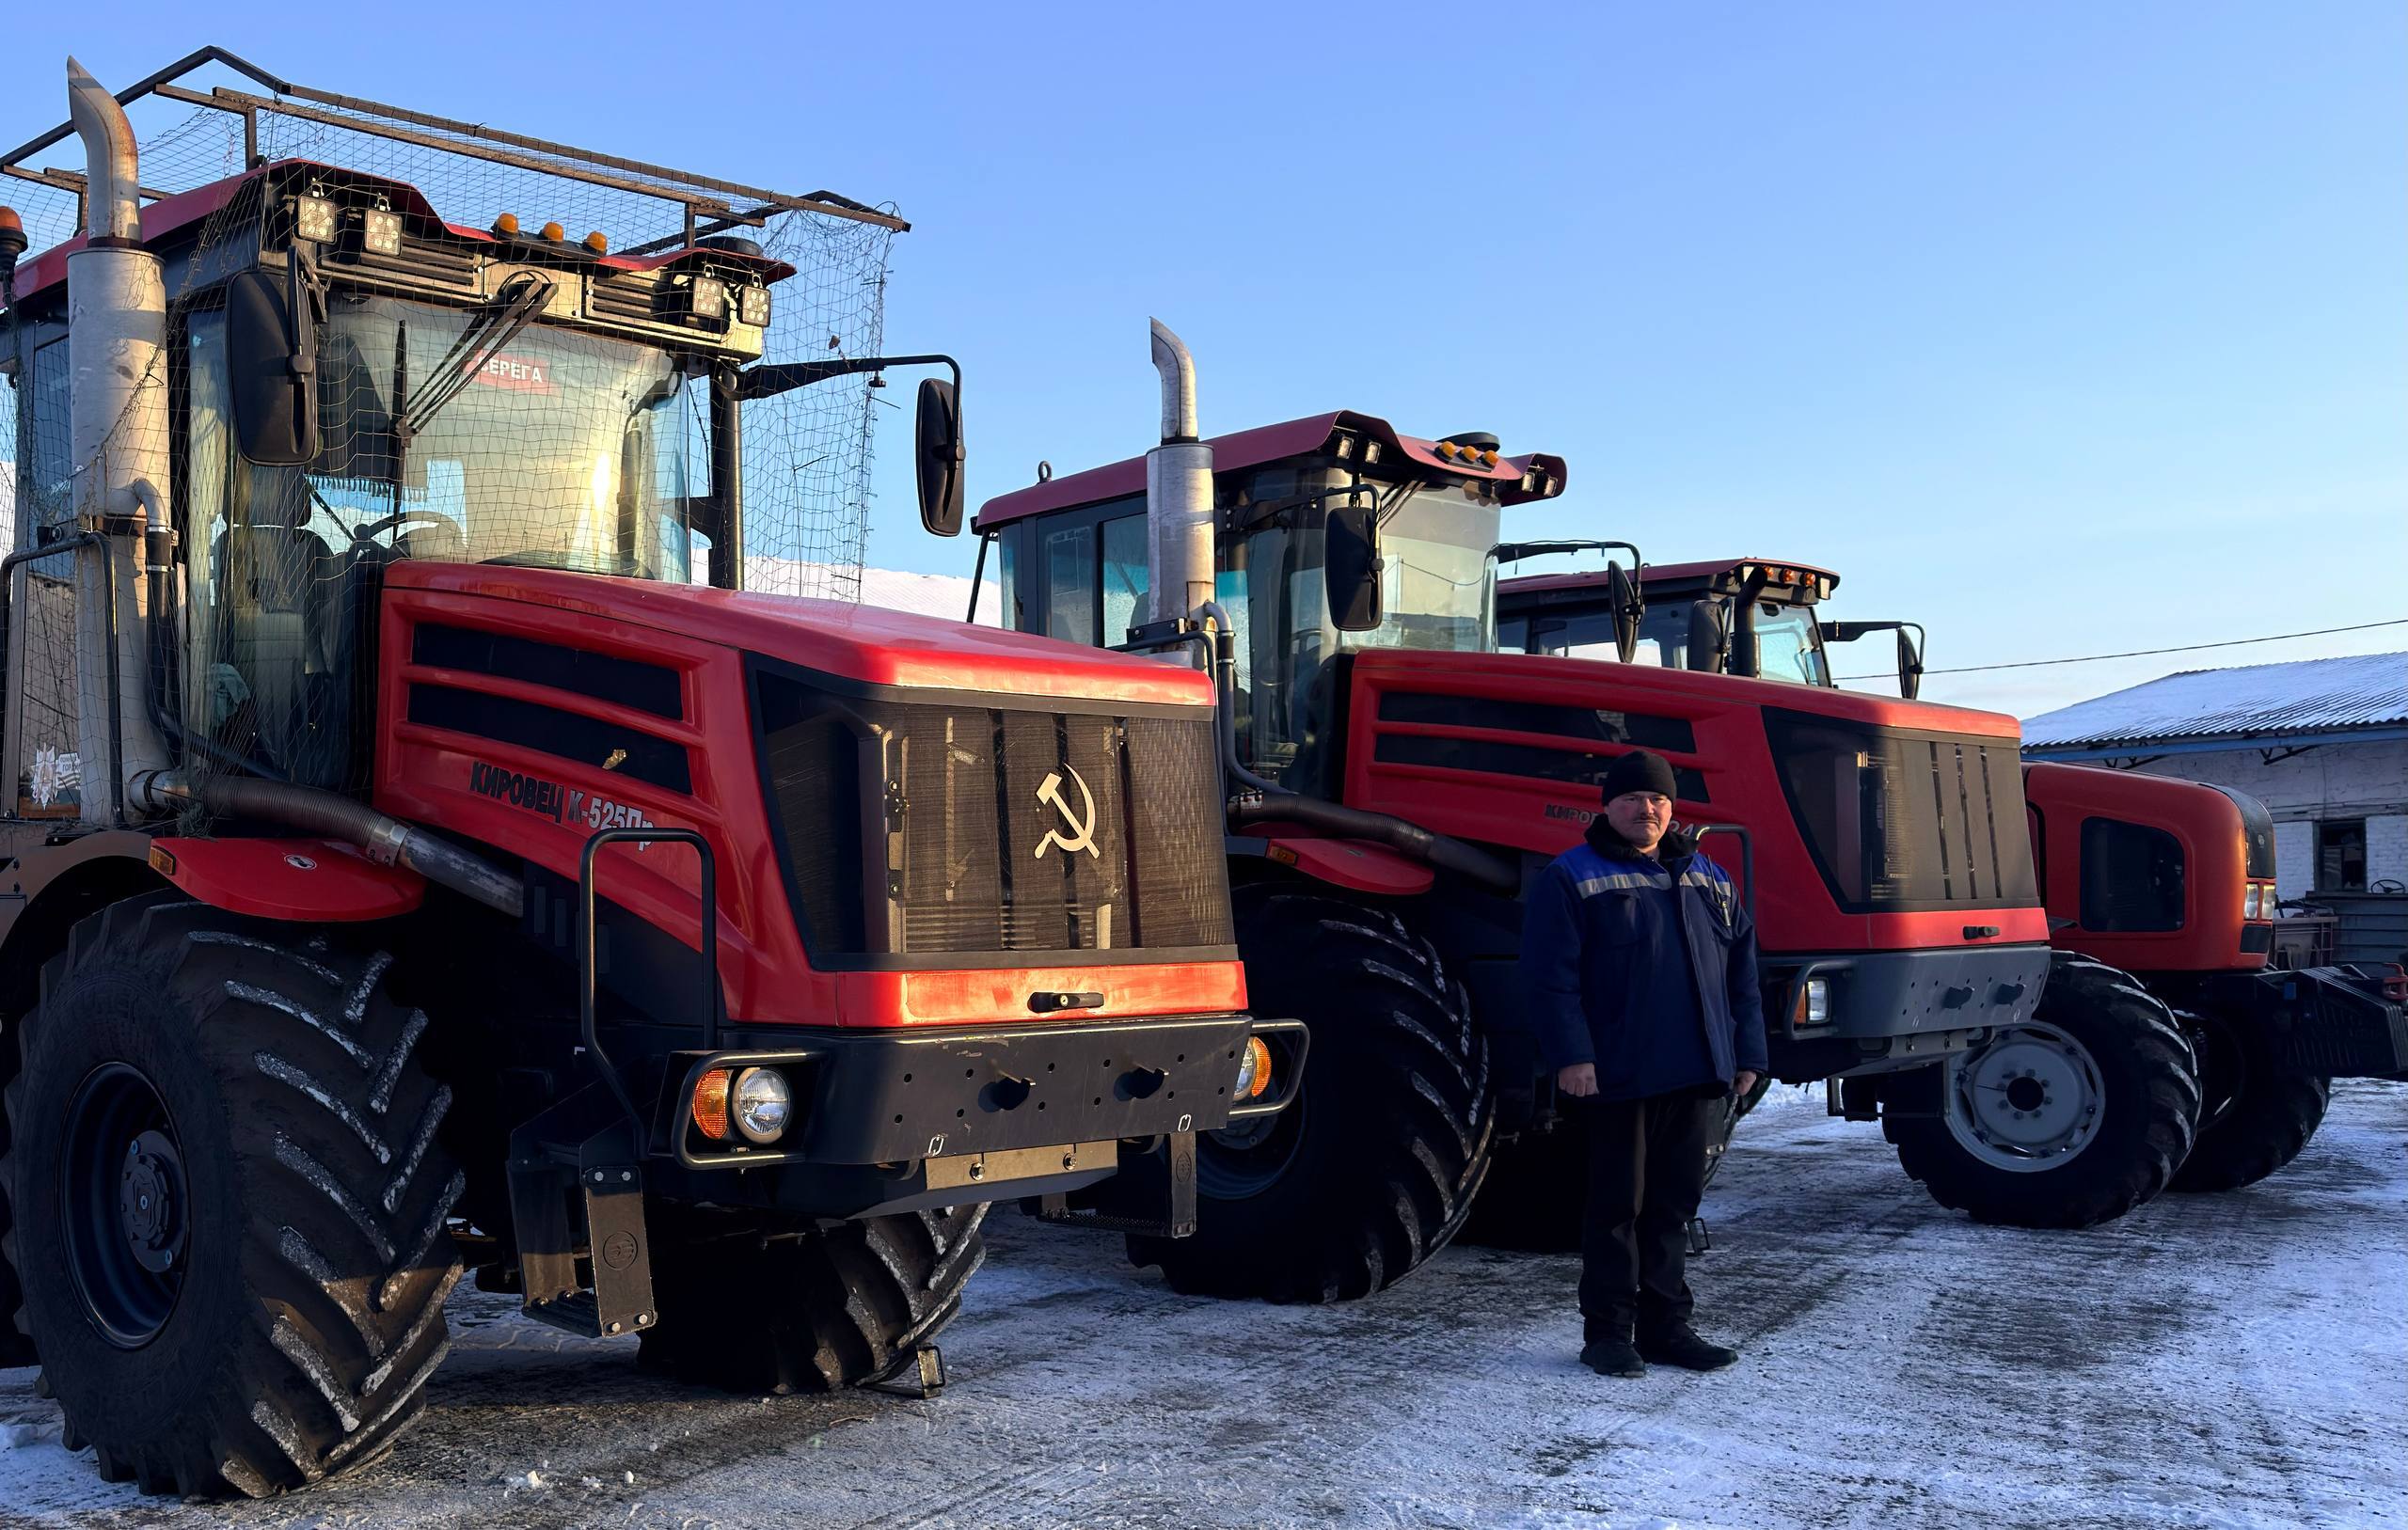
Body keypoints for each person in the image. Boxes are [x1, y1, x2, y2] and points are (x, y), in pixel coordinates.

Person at [1519, 749, 1768, 1378]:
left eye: (1658, 799)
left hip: (1691, 1072)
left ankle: (1666, 1327)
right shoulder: (1572, 876)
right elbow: (1550, 978)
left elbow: (1742, 971)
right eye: (1633, 798)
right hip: (1617, 1074)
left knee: (1673, 1206)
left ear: (1673, 809)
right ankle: (1607, 1332)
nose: (1646, 809)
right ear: (1608, 805)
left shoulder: (1708, 876)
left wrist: (1747, 1052)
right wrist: (1572, 1055)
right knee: (1615, 1207)